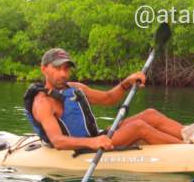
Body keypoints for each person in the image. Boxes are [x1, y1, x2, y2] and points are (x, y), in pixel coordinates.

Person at [24, 48, 185, 151]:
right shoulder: (42, 102)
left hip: (95, 138)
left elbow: (108, 98)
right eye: (57, 68)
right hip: (80, 148)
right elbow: (58, 141)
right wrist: (92, 143)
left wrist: (126, 83)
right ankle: (190, 150)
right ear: (44, 69)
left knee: (150, 114)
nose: (63, 74)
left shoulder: (75, 88)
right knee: (138, 127)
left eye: (66, 69)